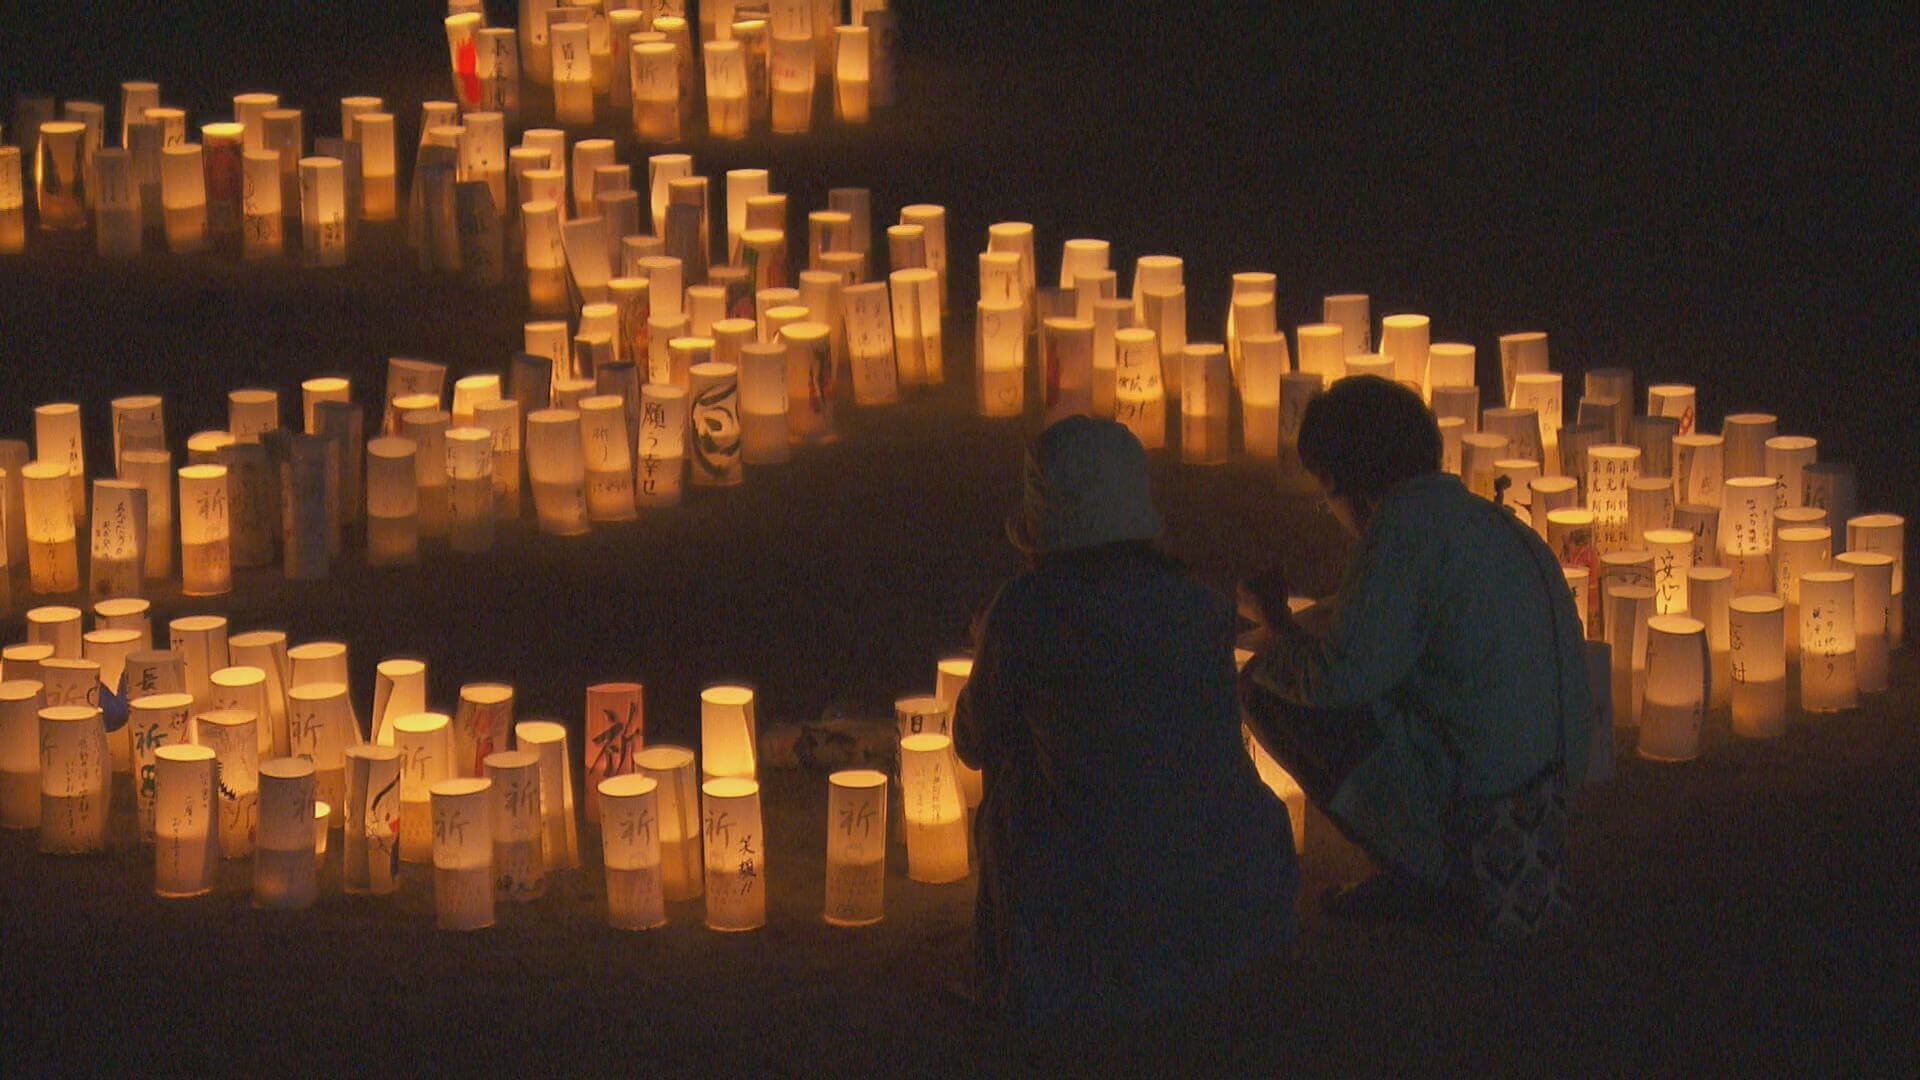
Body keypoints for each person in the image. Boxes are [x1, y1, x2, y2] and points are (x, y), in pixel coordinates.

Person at [953, 415, 1298, 1030]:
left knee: (1014, 769)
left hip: (1101, 891)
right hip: (1232, 878)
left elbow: (973, 743)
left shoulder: (1027, 608)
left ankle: (1023, 970)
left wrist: (992, 648)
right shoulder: (1196, 603)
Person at [1238, 375, 1594, 940]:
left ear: (1338, 479)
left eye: (1324, 494)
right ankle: (1435, 864)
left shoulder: (1401, 531)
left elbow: (1342, 678)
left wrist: (1277, 630)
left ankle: (1425, 872)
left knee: (1265, 686)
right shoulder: (1484, 520)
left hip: (1483, 802)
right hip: (1549, 793)